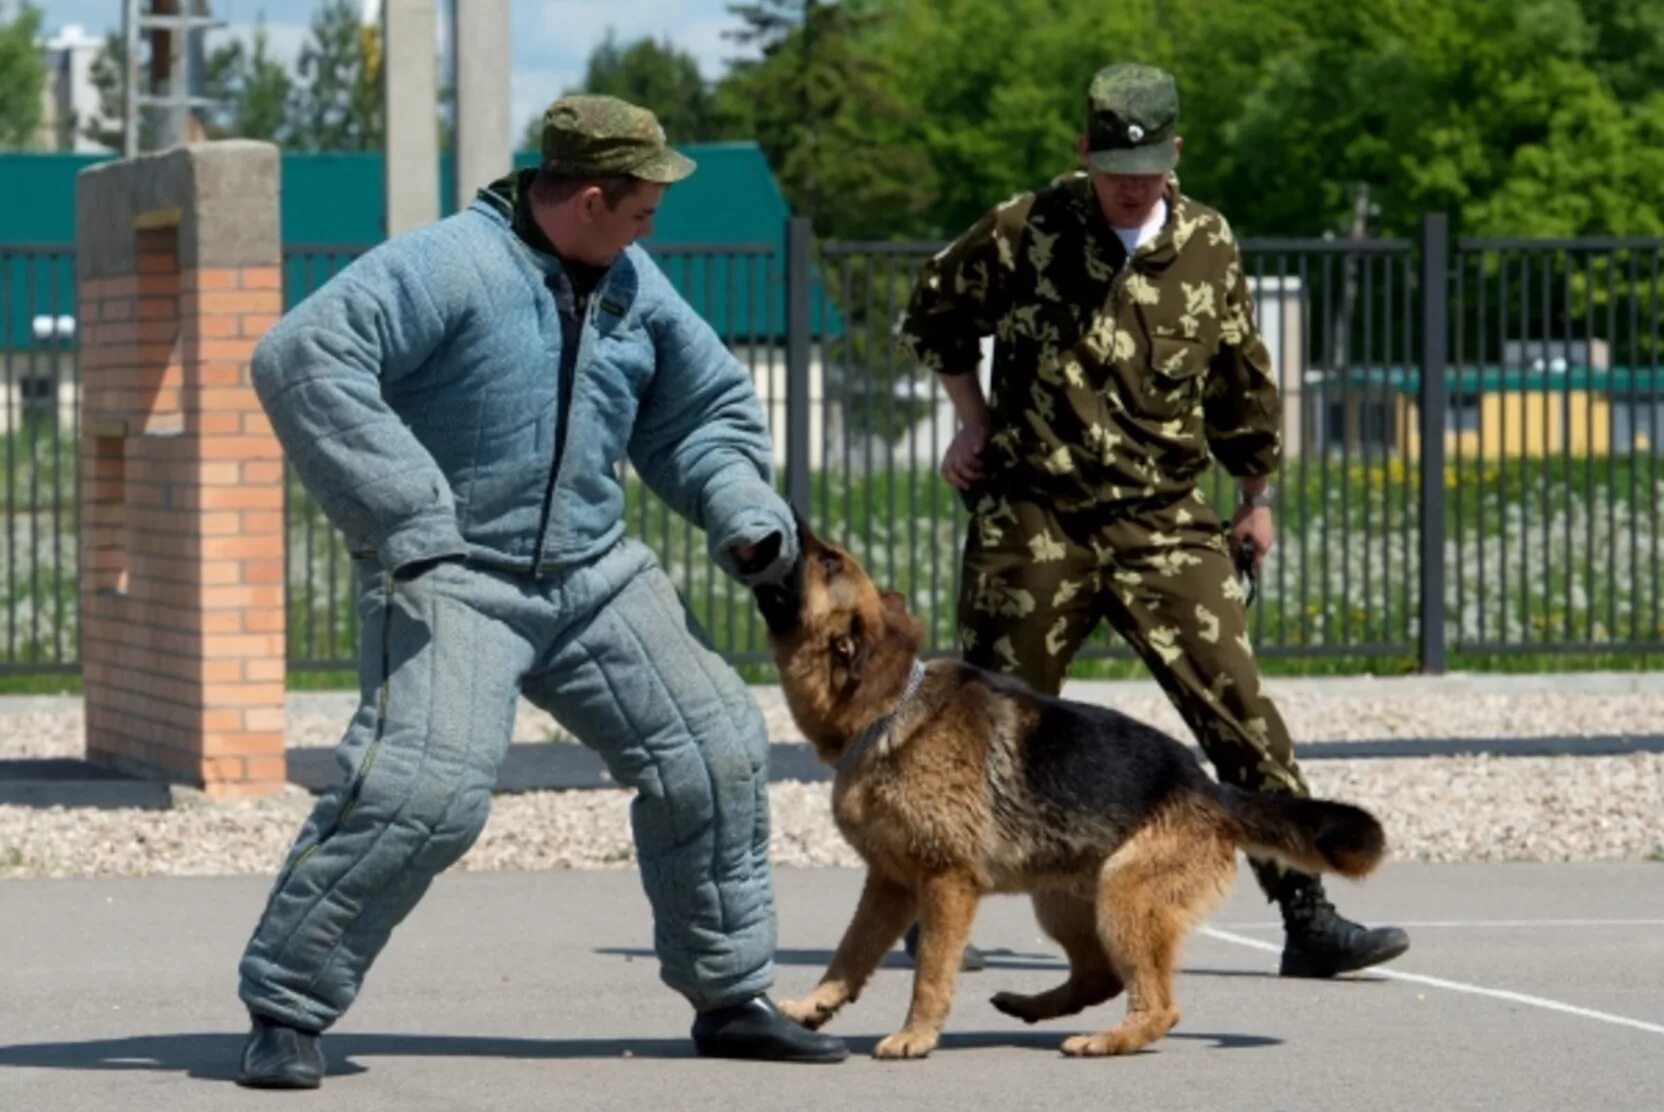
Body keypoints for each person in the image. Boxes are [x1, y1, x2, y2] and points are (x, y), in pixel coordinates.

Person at [233, 94, 847, 1089]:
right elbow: (301, 356)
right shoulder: (446, 265)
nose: (654, 227)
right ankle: (286, 1006)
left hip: (595, 574)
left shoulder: (632, 283)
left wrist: (739, 503)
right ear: (593, 197)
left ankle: (731, 996)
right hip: (456, 576)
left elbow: (701, 413)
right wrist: (409, 513)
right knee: (421, 794)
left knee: (715, 747)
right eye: (643, 208)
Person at [895, 62, 1410, 979]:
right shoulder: (1029, 228)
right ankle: (932, 905)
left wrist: (1255, 499)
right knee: (981, 724)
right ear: (1084, 151)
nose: (1135, 184)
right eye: (1117, 165)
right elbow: (935, 313)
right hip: (1037, 514)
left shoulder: (1209, 243)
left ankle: (1309, 914)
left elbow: (1242, 382)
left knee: (1238, 710)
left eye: (1153, 166)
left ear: (1177, 156)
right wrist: (970, 420)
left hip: (1164, 519)